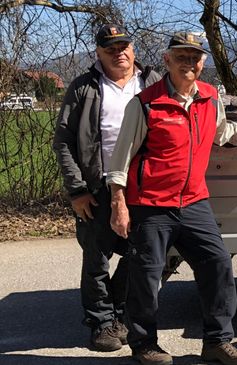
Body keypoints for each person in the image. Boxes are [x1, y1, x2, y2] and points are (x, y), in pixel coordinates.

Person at [106, 32, 237, 365]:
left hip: (193, 202)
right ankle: (144, 344)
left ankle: (216, 342)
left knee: (217, 264)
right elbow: (120, 159)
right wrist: (119, 205)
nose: (189, 63)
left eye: (195, 57)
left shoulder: (209, 97)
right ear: (168, 60)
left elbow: (223, 132)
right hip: (151, 205)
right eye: (182, 57)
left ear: (203, 62)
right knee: (146, 275)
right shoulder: (145, 103)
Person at [52, 24, 162, 352]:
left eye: (123, 45)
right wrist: (77, 191)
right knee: (97, 258)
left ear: (133, 49)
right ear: (98, 53)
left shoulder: (153, 82)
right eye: (110, 48)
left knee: (139, 254)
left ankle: (117, 314)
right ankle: (101, 323)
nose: (119, 53)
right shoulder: (84, 87)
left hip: (142, 186)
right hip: (96, 186)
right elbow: (63, 141)